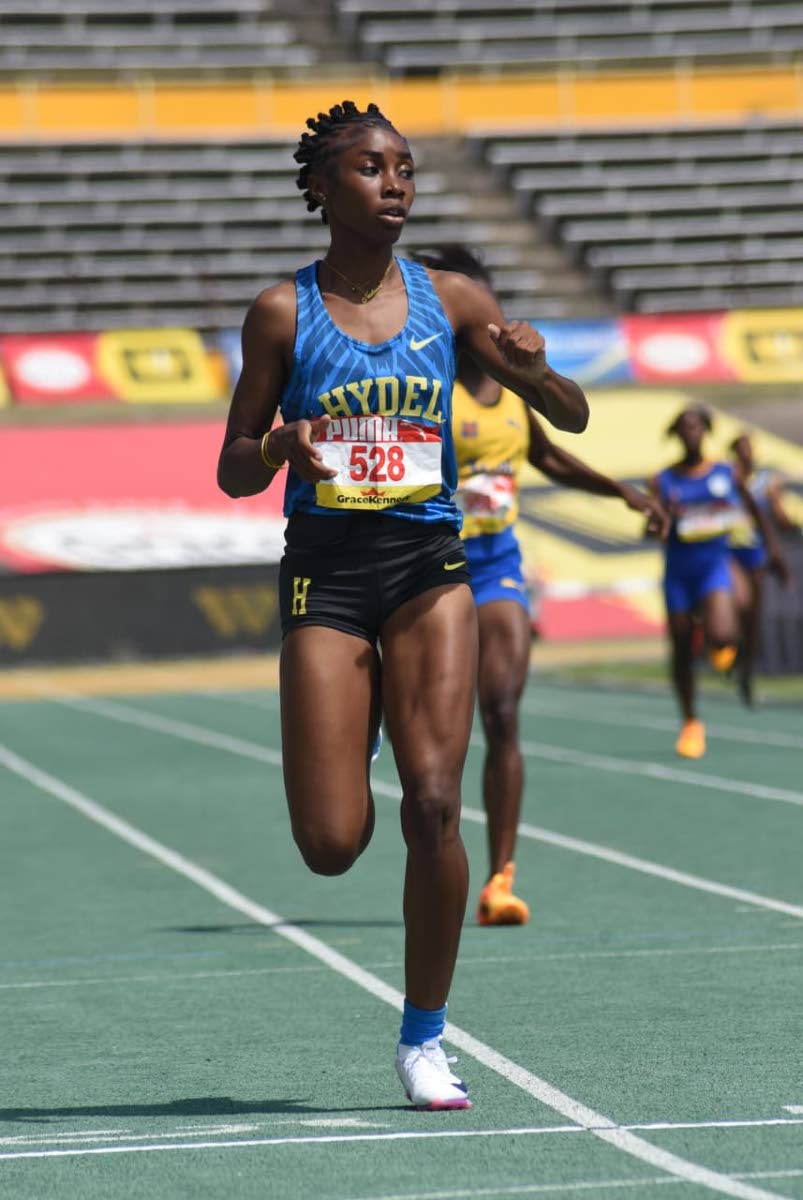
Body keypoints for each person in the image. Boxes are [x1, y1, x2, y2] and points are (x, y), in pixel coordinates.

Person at [216, 101, 589, 1110]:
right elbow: (231, 469)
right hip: (327, 578)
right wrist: (278, 448)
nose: (396, 183)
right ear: (323, 189)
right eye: (372, 168)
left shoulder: (453, 298)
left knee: (432, 803)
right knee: (331, 846)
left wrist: (533, 363)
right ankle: (356, 717)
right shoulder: (281, 314)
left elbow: (570, 415)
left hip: (429, 569)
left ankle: (424, 1038)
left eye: (407, 168)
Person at [412, 245, 668, 927]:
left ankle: (499, 878)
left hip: (495, 565)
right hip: (424, 572)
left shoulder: (512, 389)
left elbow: (549, 453)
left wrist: (621, 493)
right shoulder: (423, 378)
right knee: (433, 735)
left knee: (500, 713)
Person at [650, 407, 787, 758]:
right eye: (684, 428)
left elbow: (756, 513)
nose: (691, 433)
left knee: (724, 634)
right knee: (680, 653)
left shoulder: (726, 474)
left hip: (714, 565)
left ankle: (717, 646)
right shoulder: (664, 479)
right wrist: (657, 525)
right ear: (676, 434)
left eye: (697, 427)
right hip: (679, 573)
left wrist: (772, 549)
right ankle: (691, 722)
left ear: (706, 431)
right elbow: (653, 524)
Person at [729, 432, 800, 705]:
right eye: (743, 449)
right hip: (730, 552)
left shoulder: (766, 482)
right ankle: (729, 650)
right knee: (734, 603)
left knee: (753, 615)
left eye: (751, 448)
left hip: (755, 554)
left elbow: (780, 519)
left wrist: (779, 507)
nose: (748, 453)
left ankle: (746, 662)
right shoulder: (729, 480)